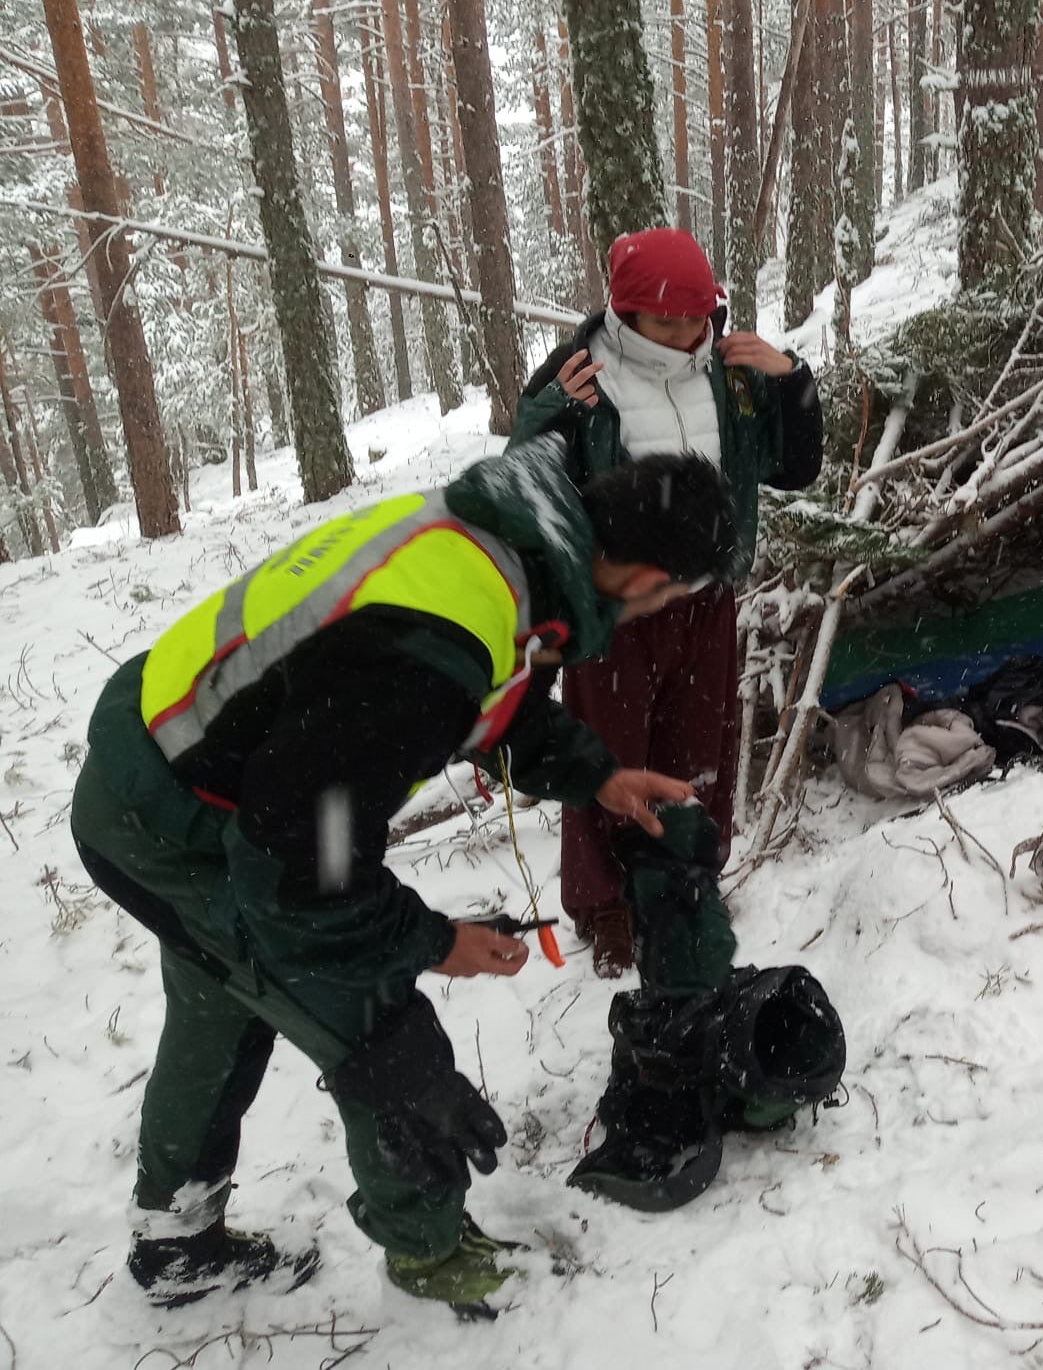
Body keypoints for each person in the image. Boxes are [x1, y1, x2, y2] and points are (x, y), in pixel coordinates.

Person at [71, 436, 738, 1317]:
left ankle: (174, 1240)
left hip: (170, 754)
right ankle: (430, 1253)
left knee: (219, 997)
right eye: (673, 599)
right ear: (650, 580)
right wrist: (432, 942)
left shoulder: (506, 552)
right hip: (178, 820)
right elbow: (307, 876)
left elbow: (495, 703)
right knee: (379, 1030)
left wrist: (597, 777)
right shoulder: (431, 646)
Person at [512, 227, 823, 977]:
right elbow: (525, 477)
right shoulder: (578, 368)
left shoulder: (732, 369)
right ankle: (607, 906)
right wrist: (547, 411)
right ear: (626, 311)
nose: (688, 334)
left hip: (706, 591)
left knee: (699, 744)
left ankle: (689, 874)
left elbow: (796, 467)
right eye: (668, 321)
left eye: (698, 316)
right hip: (614, 603)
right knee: (607, 752)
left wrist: (792, 380)